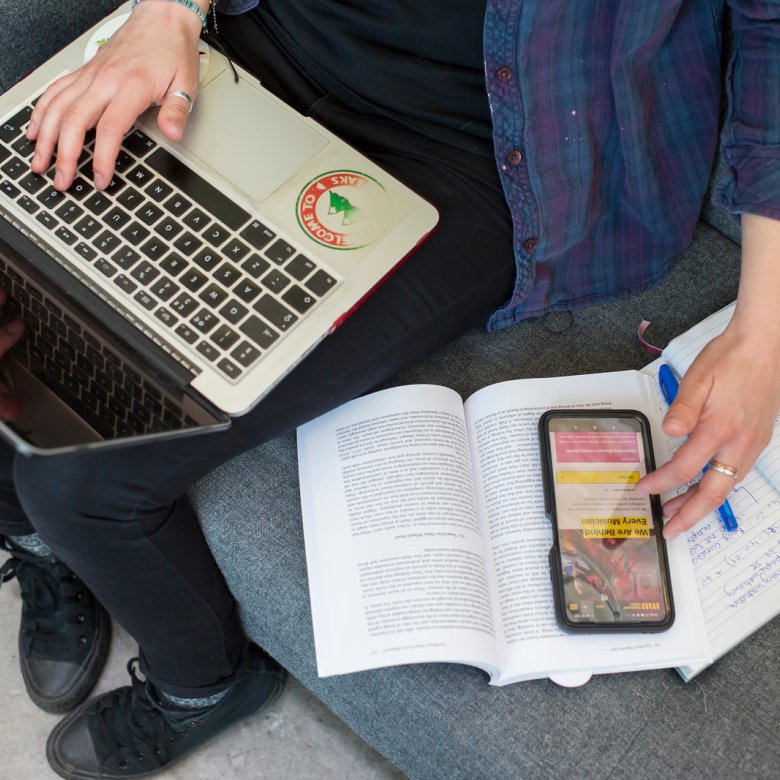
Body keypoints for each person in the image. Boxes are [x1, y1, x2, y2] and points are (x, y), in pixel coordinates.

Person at [0, 0, 778, 777]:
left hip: (487, 154)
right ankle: (38, 540)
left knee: (77, 474)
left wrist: (765, 332)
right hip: (253, 42)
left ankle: (202, 685)